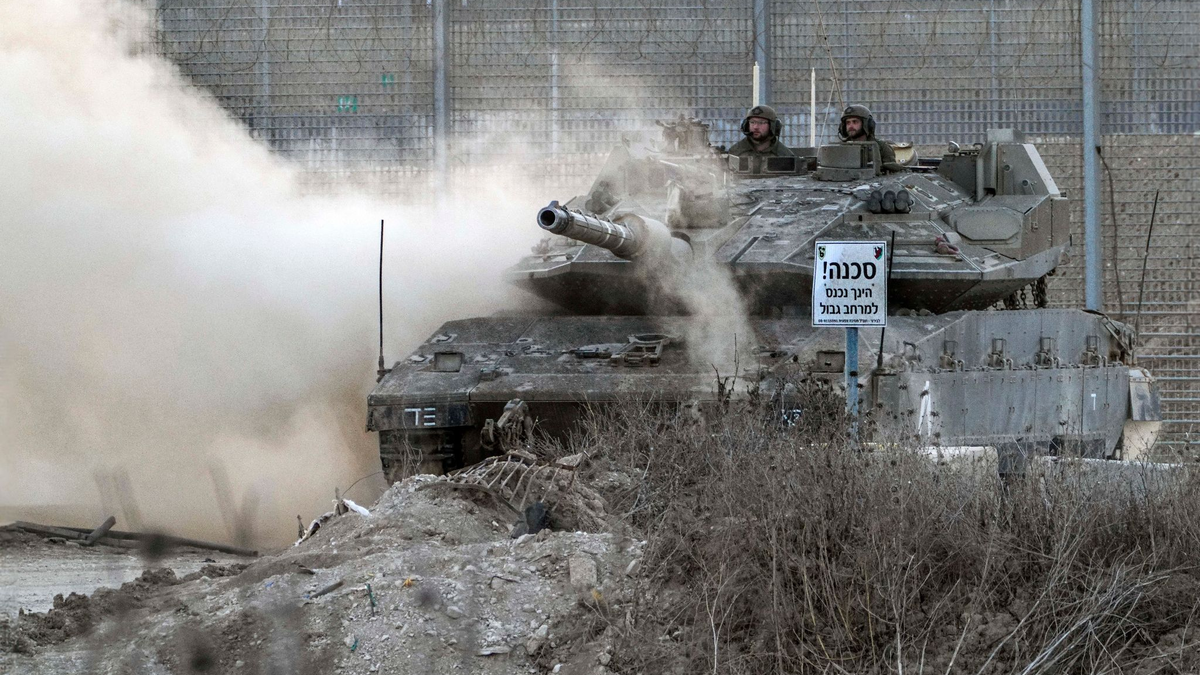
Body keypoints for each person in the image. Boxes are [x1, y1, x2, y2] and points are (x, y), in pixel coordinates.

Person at [838, 104, 904, 173]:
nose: (851, 126)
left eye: (855, 122)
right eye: (848, 123)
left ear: (867, 124)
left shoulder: (881, 147)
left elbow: (891, 175)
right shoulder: (842, 149)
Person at [728, 105, 794, 158]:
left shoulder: (785, 155)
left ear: (773, 126)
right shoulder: (735, 153)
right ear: (746, 125)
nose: (755, 127)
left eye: (761, 122)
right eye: (752, 122)